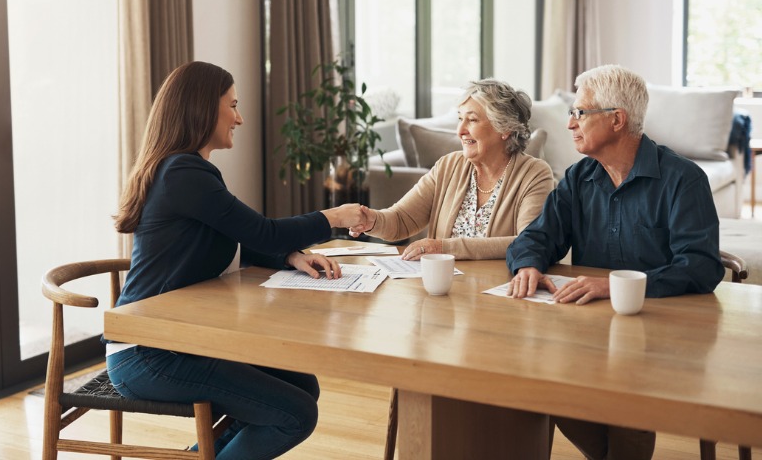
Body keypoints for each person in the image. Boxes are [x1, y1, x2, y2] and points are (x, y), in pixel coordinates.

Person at [107, 61, 367, 460]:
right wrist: (333, 218)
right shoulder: (183, 173)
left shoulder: (186, 170)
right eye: (233, 105)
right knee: (294, 413)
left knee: (302, 387)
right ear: (202, 108)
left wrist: (291, 255)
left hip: (177, 342)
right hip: (150, 352)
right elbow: (262, 230)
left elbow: (239, 239)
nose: (240, 118)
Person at [506, 64, 724, 460]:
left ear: (617, 120)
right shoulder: (577, 178)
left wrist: (615, 286)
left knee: (629, 394)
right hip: (591, 331)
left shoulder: (683, 179)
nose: (570, 123)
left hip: (664, 334)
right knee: (537, 380)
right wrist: (528, 264)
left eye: (580, 112)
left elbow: (701, 266)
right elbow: (537, 237)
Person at [351, 79, 554, 259]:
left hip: (498, 289)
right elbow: (402, 219)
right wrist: (372, 221)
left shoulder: (534, 174)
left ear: (504, 128)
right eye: (460, 118)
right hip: (444, 286)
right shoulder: (448, 166)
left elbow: (529, 242)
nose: (460, 131)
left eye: (472, 120)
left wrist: (443, 247)